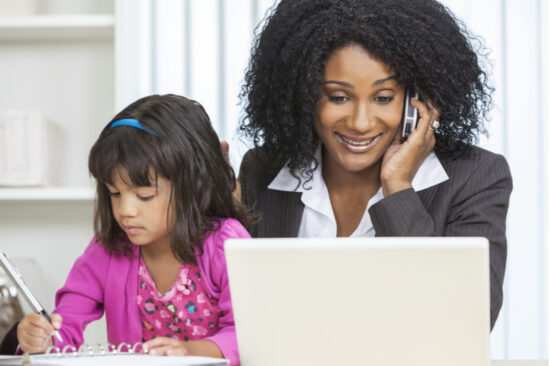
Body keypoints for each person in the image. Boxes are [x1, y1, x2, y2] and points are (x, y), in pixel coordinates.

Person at [237, 0, 512, 330]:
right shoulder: (263, 170)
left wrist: (398, 188)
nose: (360, 122)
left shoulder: (476, 178)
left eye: (383, 98)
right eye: (339, 97)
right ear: (304, 95)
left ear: (418, 102)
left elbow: (469, 321)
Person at [15, 94, 252, 365]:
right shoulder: (107, 250)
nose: (125, 210)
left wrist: (189, 351)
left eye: (144, 195)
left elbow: (247, 334)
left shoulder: (226, 244)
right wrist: (42, 340)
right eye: (114, 193)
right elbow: (65, 324)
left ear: (195, 186)